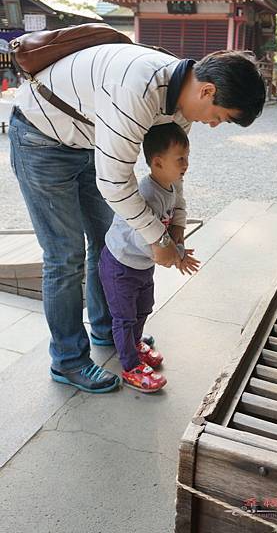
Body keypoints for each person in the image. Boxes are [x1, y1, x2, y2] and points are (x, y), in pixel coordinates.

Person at [9, 45, 266, 393]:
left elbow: (171, 175)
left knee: (106, 244)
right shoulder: (139, 88)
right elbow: (115, 184)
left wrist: (175, 226)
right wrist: (157, 240)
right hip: (41, 138)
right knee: (64, 256)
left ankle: (109, 330)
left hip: (89, 141)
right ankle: (68, 360)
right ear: (208, 91)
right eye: (219, 116)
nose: (214, 125)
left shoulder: (180, 106)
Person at [99, 122, 199, 393]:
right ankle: (130, 367)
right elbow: (147, 242)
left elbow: (178, 206)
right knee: (124, 317)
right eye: (180, 159)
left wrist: (178, 237)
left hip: (141, 266)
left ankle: (136, 342)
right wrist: (176, 256)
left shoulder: (171, 183)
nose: (186, 164)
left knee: (144, 307)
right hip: (120, 264)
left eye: (187, 157)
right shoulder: (146, 194)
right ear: (157, 162)